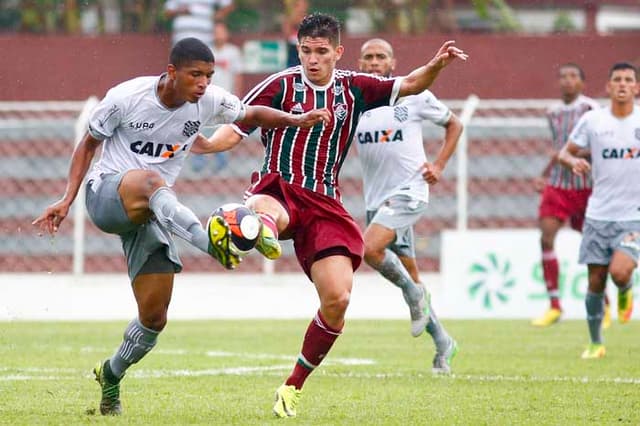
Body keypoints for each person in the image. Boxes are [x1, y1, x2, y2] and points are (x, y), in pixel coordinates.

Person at [31, 37, 329, 416]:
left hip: (152, 210)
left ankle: (111, 374)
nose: (204, 83)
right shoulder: (126, 97)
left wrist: (297, 119)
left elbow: (251, 116)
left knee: (154, 319)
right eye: (195, 75)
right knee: (154, 181)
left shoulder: (210, 101)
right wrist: (66, 199)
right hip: (107, 194)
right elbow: (88, 144)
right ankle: (211, 245)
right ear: (171, 72)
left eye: (208, 75)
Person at [199, 13, 467, 417]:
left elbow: (410, 84)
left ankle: (292, 386)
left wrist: (437, 64)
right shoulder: (281, 84)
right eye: (305, 51)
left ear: (338, 52)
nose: (311, 60)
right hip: (280, 185)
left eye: (321, 52)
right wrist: (205, 146)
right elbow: (240, 125)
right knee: (267, 207)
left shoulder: (353, 87)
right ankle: (256, 227)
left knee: (338, 299)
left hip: (325, 202)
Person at [354, 38, 462, 373]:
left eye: (380, 57)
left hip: (409, 191)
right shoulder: (355, 102)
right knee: (411, 274)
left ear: (392, 62)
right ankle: (443, 341)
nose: (374, 62)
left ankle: (414, 295)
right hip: (377, 200)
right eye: (368, 57)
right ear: (359, 64)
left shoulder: (414, 96)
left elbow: (455, 124)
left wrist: (439, 165)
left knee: (368, 249)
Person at [557, 62, 639, 359]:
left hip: (634, 216)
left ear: (636, 87)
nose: (622, 84)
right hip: (598, 214)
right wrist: (573, 162)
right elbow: (564, 152)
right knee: (595, 280)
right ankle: (595, 343)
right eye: (616, 79)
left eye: (628, 80)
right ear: (608, 86)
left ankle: (626, 287)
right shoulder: (593, 121)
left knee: (619, 272)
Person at [531, 63, 611, 327]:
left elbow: (601, 145)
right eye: (563, 76)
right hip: (558, 185)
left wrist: (579, 157)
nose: (567, 81)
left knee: (595, 244)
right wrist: (544, 174)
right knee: (546, 238)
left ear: (582, 83)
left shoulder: (591, 109)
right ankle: (554, 305)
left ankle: (606, 303)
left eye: (573, 76)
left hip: (587, 185)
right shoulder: (552, 112)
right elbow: (558, 150)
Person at [190, 20, 244, 172]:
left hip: (225, 99)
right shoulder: (207, 52)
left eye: (221, 31)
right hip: (206, 98)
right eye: (216, 31)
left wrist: (237, 96)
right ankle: (198, 165)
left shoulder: (233, 52)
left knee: (223, 129)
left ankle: (220, 165)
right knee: (200, 128)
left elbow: (237, 75)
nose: (218, 34)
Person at [164, 0, 235, 49]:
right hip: (181, 37)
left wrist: (217, 16)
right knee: (181, 65)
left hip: (205, 37)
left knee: (203, 65)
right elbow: (167, 12)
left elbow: (229, 5)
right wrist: (180, 10)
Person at [282, 0, 309, 68]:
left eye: (304, 5)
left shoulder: (307, 16)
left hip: (304, 44)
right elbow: (287, 30)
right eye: (300, 5)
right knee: (293, 64)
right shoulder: (292, 16)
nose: (303, 7)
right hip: (294, 44)